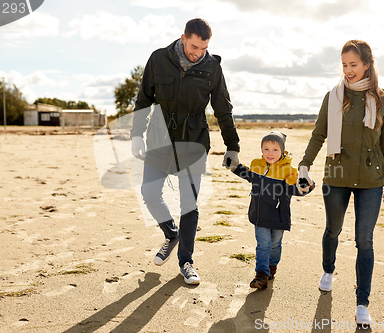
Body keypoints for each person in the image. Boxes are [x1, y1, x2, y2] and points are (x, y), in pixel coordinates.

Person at [130, 18, 240, 285]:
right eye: (194, 47)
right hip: (159, 139)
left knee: (189, 204)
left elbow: (223, 108)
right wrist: (136, 135)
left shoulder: (212, 67)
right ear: (183, 38)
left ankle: (186, 261)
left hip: (194, 142)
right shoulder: (158, 59)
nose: (198, 53)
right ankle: (171, 233)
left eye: (203, 48)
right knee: (149, 192)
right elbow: (144, 98)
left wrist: (232, 146)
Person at [297, 40, 384, 324]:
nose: (348, 70)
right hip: (337, 175)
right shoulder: (334, 96)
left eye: (353, 65)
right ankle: (328, 270)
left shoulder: (382, 98)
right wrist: (305, 164)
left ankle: (362, 303)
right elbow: (319, 134)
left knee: (365, 240)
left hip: (371, 178)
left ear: (367, 64)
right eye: (344, 65)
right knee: (333, 230)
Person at [232, 131, 314, 290]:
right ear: (261, 150)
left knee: (275, 244)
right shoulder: (257, 164)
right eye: (266, 149)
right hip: (259, 215)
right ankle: (261, 274)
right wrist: (234, 166)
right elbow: (247, 175)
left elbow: (296, 189)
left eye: (275, 150)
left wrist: (306, 186)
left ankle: (272, 265)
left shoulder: (288, 170)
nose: (270, 153)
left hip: (278, 215)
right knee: (263, 244)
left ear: (282, 151)